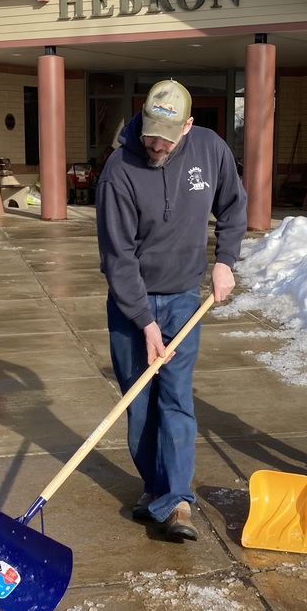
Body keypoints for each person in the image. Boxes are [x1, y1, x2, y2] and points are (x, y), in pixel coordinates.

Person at [96, 79, 247, 541]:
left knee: (176, 398)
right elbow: (118, 258)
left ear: (188, 127)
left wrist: (225, 261)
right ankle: (155, 487)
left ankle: (177, 500)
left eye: (167, 134)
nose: (155, 143)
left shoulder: (210, 149)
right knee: (140, 404)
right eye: (149, 132)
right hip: (130, 303)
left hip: (184, 298)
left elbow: (233, 206)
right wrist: (143, 322)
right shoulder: (118, 171)